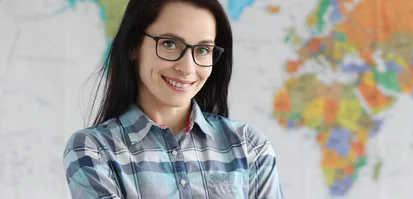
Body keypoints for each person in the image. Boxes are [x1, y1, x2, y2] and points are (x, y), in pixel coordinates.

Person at [62, 0, 283, 198]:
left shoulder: (250, 147)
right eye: (169, 44)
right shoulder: (93, 150)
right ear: (133, 45)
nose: (187, 68)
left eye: (203, 50)